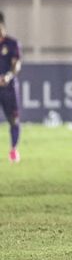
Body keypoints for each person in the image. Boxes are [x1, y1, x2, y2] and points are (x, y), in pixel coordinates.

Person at [0, 12, 21, 163]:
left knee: (13, 119)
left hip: (8, 88)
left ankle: (13, 149)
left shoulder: (12, 43)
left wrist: (7, 76)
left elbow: (16, 65)